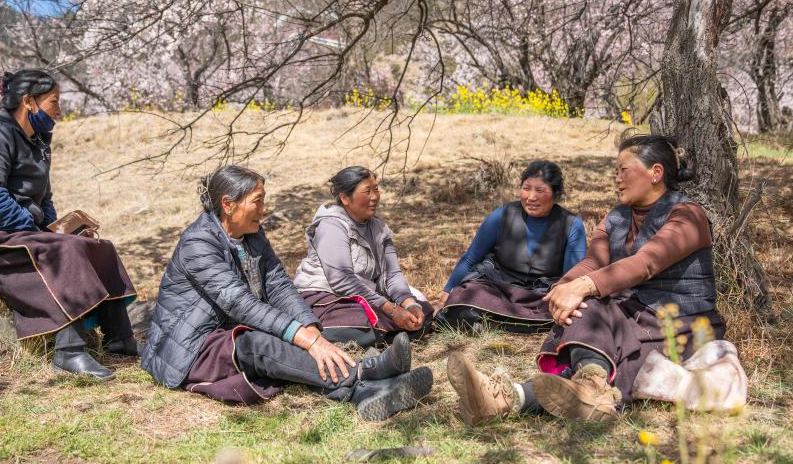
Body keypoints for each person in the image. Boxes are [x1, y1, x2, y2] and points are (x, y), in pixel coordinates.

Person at [447, 135, 727, 424]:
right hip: (633, 319)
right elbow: (593, 262)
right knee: (592, 334)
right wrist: (564, 287)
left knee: (591, 309)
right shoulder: (616, 217)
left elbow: (646, 262)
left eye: (623, 170)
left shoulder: (687, 214)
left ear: (655, 173)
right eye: (615, 171)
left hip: (680, 323)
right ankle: (527, 396)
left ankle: (571, 389)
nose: (617, 178)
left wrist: (583, 286)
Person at [140, 165, 433, 421]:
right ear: (228, 204)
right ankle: (363, 373)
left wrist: (310, 330)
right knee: (258, 343)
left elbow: (279, 284)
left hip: (230, 329)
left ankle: (363, 393)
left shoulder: (253, 234)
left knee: (292, 335)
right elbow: (237, 301)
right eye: (257, 201)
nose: (264, 209)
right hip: (191, 346)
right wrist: (305, 338)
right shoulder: (198, 244)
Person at [0, 70, 139, 381]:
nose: (59, 111)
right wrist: (38, 232)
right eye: (54, 102)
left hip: (16, 227)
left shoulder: (37, 140)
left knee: (98, 246)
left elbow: (43, 198)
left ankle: (119, 337)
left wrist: (58, 227)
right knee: (66, 251)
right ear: (29, 102)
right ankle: (69, 351)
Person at [436, 161, 587, 333]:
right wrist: (446, 295)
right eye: (526, 188)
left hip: (541, 296)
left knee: (574, 312)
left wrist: (564, 299)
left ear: (555, 194)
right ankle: (508, 322)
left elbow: (572, 278)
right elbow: (472, 257)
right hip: (498, 288)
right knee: (466, 295)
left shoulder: (571, 224)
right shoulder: (503, 214)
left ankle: (492, 322)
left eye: (540, 190)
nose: (531, 197)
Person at [294, 166, 433, 347]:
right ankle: (385, 338)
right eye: (367, 191)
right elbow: (341, 280)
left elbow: (392, 275)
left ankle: (384, 338)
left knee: (423, 310)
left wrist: (409, 304)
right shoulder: (331, 226)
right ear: (345, 198)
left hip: (363, 296)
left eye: (376, 189)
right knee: (359, 321)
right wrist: (391, 310)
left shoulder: (378, 227)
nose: (374, 197)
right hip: (326, 296)